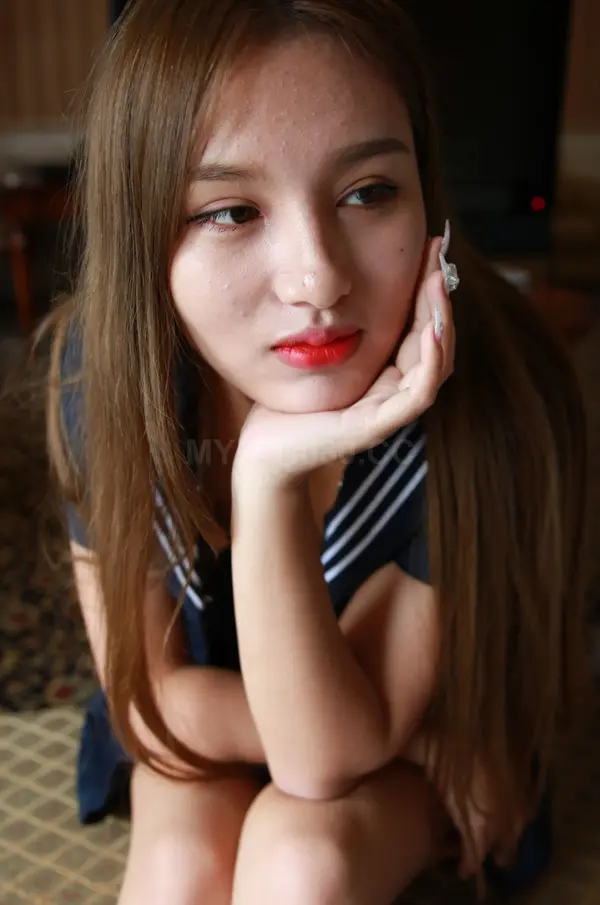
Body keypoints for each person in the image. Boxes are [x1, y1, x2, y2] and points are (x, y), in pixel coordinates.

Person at [41, 1, 587, 903]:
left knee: (304, 861)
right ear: (143, 232)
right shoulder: (104, 376)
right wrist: (400, 740)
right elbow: (152, 698)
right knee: (179, 867)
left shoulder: (495, 392)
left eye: (368, 192)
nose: (318, 277)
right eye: (231, 210)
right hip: (238, 732)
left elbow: (320, 763)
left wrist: (265, 483)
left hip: (421, 740)